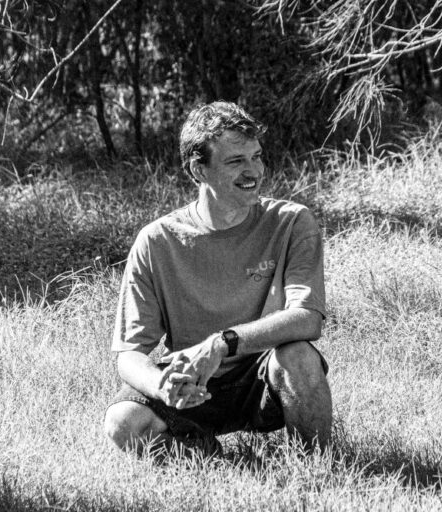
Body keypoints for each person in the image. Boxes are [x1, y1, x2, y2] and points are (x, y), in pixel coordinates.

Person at [103, 101, 332, 456]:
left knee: (299, 357)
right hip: (192, 383)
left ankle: (316, 465)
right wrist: (161, 385)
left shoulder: (291, 222)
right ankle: (211, 459)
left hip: (262, 375)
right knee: (123, 423)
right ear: (199, 169)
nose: (254, 171)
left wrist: (222, 344)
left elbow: (307, 319)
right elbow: (129, 354)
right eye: (236, 161)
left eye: (257, 156)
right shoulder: (157, 241)